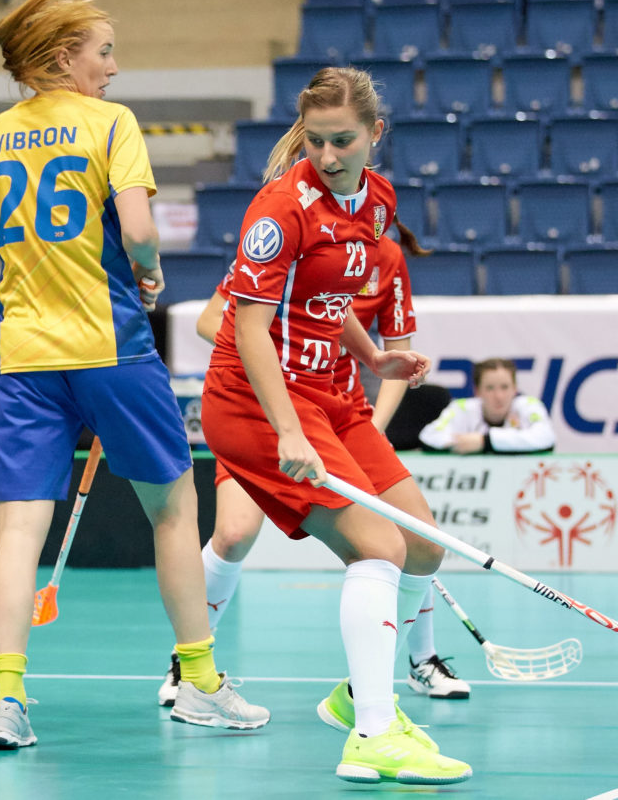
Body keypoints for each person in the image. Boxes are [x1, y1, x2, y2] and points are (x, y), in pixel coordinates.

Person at [0, 0, 269, 750]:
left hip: (22, 355)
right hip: (111, 345)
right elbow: (136, 227)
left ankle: (8, 700)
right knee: (173, 512)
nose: (112, 67)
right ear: (65, 57)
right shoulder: (110, 124)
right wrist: (150, 271)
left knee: (17, 532)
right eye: (104, 53)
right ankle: (199, 679)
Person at [199, 66, 472, 784]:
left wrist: (374, 356)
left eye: (342, 140)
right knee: (376, 547)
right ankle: (375, 735)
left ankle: (358, 699)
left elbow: (329, 298)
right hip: (258, 399)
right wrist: (287, 429)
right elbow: (248, 329)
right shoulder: (279, 208)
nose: (326, 156)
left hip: (334, 393)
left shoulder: (377, 201)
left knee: (423, 543)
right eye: (315, 142)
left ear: (375, 134)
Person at [158, 224, 472, 704]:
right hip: (265, 404)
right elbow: (213, 320)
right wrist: (265, 353)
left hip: (342, 413)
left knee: (414, 536)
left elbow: (390, 351)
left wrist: (378, 424)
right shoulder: (282, 236)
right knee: (235, 534)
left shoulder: (383, 257)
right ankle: (189, 662)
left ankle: (415, 662)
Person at [419, 358, 555, 454]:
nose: (498, 396)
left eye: (505, 387)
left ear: (515, 389)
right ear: (477, 391)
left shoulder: (529, 405)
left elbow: (546, 437)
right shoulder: (461, 408)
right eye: (490, 388)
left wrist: (485, 441)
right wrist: (462, 442)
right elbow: (429, 436)